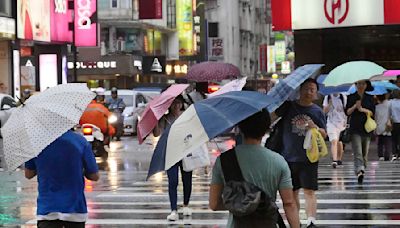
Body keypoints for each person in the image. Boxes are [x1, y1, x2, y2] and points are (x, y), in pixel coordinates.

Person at [209, 109, 300, 228]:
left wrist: (240, 203)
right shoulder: (278, 161)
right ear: (266, 129)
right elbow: (289, 203)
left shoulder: (224, 160)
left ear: (241, 128)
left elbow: (214, 204)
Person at [277, 78, 327, 228]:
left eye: (312, 89)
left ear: (316, 93)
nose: (309, 92)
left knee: (309, 190)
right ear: (300, 90)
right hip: (288, 156)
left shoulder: (317, 111)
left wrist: (315, 128)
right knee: (292, 193)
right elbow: (273, 118)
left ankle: (311, 221)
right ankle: (295, 221)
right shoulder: (288, 107)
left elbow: (324, 135)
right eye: (306, 88)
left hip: (309, 158)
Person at [24, 130, 100, 228]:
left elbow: (28, 174)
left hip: (47, 208)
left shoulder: (36, 143)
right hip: (75, 209)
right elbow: (94, 176)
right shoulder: (80, 141)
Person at [153, 95, 193, 221]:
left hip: (185, 152)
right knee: (173, 181)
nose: (176, 105)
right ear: (169, 105)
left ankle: (186, 204)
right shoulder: (164, 118)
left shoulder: (187, 116)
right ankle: (173, 210)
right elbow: (156, 134)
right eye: (174, 103)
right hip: (170, 153)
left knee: (187, 180)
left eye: (179, 103)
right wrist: (155, 121)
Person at [345, 80, 375, 184]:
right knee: (358, 152)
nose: (361, 86)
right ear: (355, 85)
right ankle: (359, 171)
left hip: (366, 128)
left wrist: (362, 109)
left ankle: (362, 168)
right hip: (355, 128)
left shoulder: (370, 98)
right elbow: (347, 112)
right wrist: (355, 106)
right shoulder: (351, 97)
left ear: (366, 85)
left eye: (363, 84)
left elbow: (372, 112)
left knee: (364, 154)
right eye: (358, 83)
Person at [323, 93, 347, 168]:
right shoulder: (328, 96)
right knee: (334, 141)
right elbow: (324, 111)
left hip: (341, 123)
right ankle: (334, 160)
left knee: (339, 142)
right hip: (331, 122)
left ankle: (339, 159)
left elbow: (346, 110)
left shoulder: (343, 97)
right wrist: (329, 103)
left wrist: (346, 122)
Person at [375, 93, 392, 161]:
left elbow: (375, 118)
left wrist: (375, 128)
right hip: (387, 125)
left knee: (380, 142)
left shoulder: (377, 107)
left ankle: (381, 155)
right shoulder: (389, 104)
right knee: (387, 142)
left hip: (379, 126)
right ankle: (387, 155)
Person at [389, 90, 400, 161]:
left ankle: (394, 153)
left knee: (393, 139)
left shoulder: (390, 102)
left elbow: (389, 113)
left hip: (394, 122)